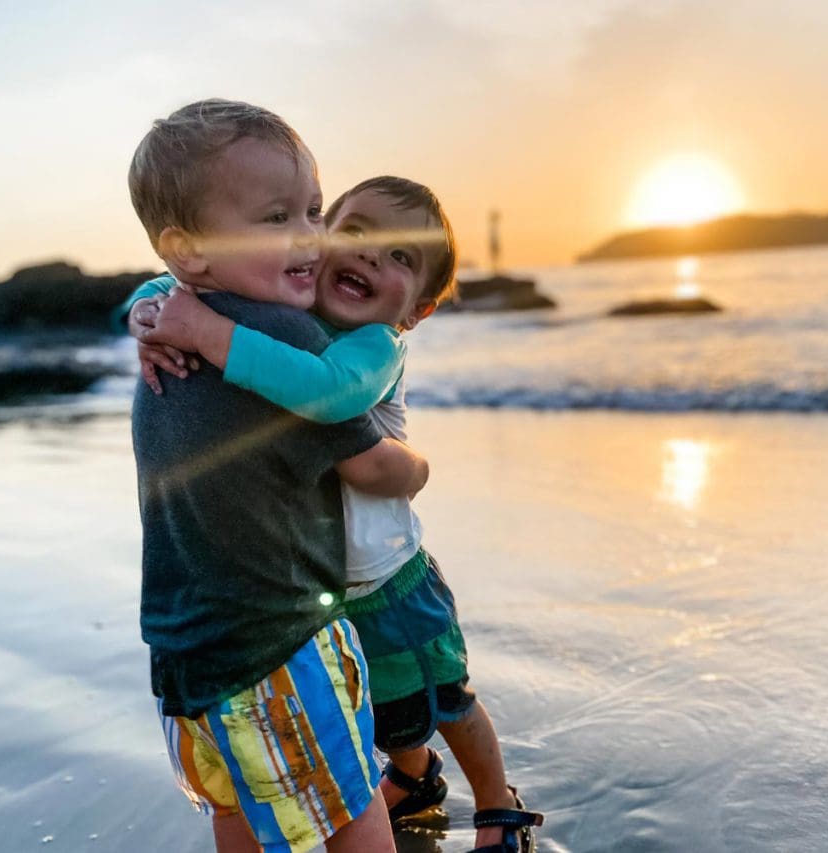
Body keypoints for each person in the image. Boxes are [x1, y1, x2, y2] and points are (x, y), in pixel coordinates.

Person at [124, 176, 544, 853]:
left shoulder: (374, 347)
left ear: (419, 311)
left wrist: (205, 331)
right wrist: (147, 315)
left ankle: (498, 802)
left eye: (401, 258)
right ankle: (416, 777)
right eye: (357, 231)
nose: (373, 256)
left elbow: (323, 394)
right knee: (376, 707)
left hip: (388, 577)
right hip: (317, 584)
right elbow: (174, 284)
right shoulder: (286, 316)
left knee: (441, 698)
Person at [127, 99, 431, 852]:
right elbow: (371, 464)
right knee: (351, 807)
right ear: (189, 248)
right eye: (277, 217)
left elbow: (146, 295)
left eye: (315, 210)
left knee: (238, 816)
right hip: (279, 641)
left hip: (180, 652)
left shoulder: (172, 318)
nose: (310, 236)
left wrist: (142, 311)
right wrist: (417, 466)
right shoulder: (283, 335)